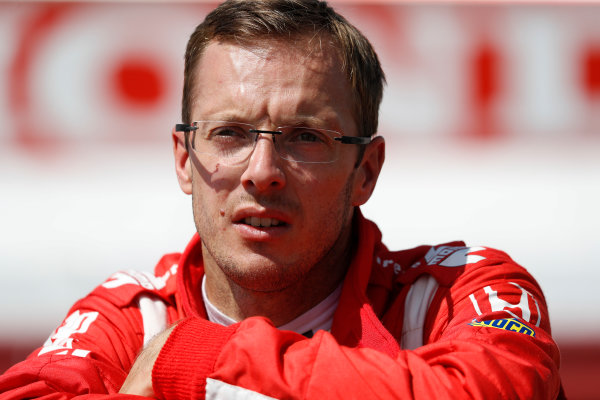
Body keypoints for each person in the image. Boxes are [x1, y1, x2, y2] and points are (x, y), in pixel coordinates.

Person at [0, 0, 564, 399]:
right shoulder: (133, 320)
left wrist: (200, 361)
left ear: (366, 170)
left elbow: (492, 391)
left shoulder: (459, 291)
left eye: (306, 138)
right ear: (183, 160)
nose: (263, 173)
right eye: (230, 134)